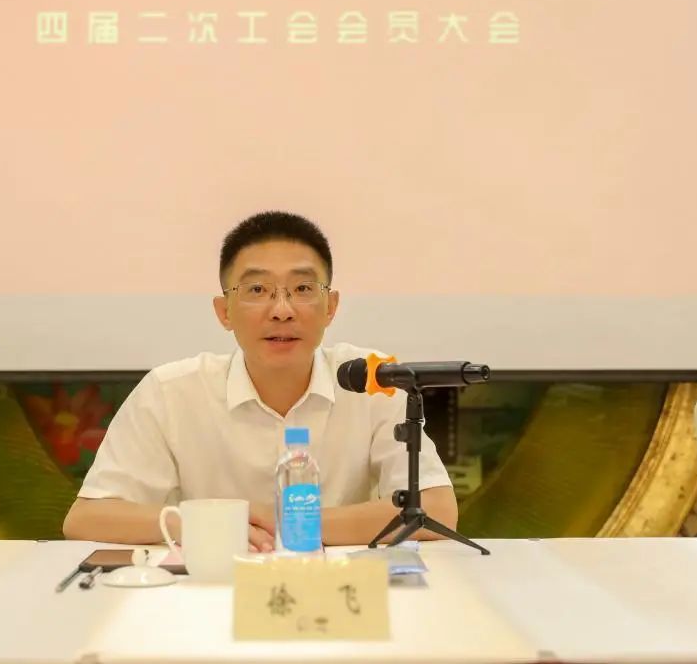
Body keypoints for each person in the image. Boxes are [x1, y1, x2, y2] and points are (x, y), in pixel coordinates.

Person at [63, 211, 457, 550]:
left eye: (302, 289)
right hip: (209, 593)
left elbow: (437, 509)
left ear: (331, 306)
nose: (282, 310)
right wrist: (209, 525)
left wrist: (286, 523)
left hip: (334, 589)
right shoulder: (171, 391)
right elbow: (86, 519)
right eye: (257, 290)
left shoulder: (370, 381)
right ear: (224, 312)